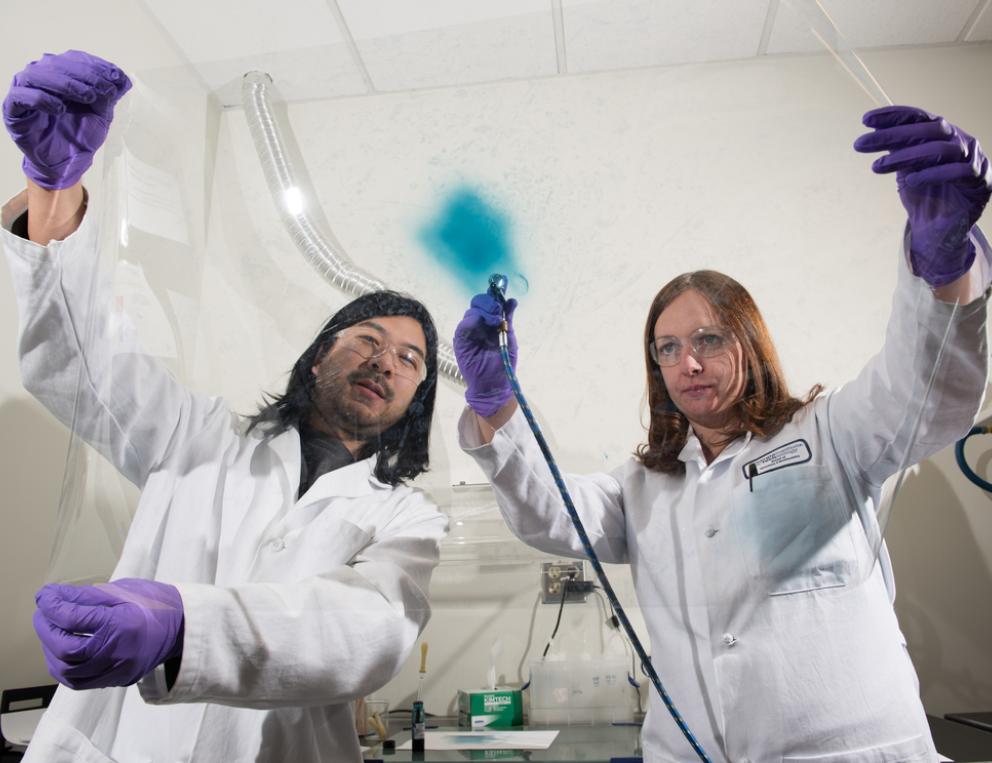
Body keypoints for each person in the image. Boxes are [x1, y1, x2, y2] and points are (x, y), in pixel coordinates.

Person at [453, 105, 991, 762]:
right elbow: (550, 513)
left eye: (708, 339)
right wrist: (496, 403)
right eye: (668, 348)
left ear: (749, 342)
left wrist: (942, 264)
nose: (688, 363)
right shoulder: (642, 485)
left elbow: (925, 396)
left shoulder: (831, 431)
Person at [2, 50, 448, 762]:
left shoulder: (407, 516)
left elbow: (371, 628)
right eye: (368, 339)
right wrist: (53, 192)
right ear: (317, 358)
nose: (385, 361)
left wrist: (187, 627)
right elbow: (81, 364)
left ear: (414, 402)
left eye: (410, 360)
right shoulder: (198, 433)